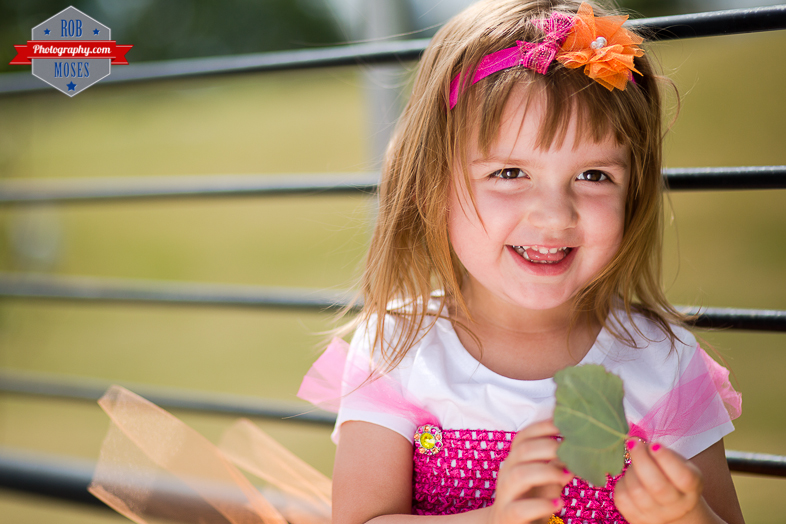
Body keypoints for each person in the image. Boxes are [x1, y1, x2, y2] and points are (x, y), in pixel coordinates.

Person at [303, 1, 745, 523]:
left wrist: (687, 514)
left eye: (594, 176)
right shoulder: (398, 347)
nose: (556, 216)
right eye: (510, 172)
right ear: (434, 185)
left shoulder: (662, 362)